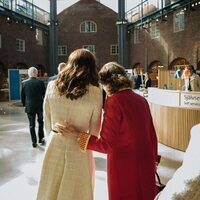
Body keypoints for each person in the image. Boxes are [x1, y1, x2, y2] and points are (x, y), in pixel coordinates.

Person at [56, 62, 158, 200]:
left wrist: (78, 134)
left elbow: (107, 145)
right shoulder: (141, 100)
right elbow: (152, 135)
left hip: (124, 166)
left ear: (106, 83)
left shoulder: (114, 101)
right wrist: (153, 162)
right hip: (146, 162)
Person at [36, 49, 103, 200]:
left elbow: (46, 118)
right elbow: (95, 129)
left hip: (55, 141)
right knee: (76, 191)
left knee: (50, 188)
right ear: (91, 66)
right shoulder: (95, 91)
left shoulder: (52, 85)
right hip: (80, 146)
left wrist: (52, 136)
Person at [21, 67, 46, 148]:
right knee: (41, 123)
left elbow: (23, 96)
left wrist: (24, 105)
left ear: (29, 73)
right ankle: (41, 138)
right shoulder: (41, 83)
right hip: (39, 106)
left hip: (29, 107)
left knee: (31, 125)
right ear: (36, 73)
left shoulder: (24, 83)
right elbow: (44, 95)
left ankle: (34, 142)